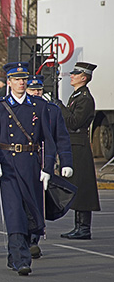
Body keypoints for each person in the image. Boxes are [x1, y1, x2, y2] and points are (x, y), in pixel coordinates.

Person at [0, 62, 56, 275]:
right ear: (9, 82)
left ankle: (15, 254)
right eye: (17, 79)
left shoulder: (39, 106)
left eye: (24, 79)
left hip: (31, 164)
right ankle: (22, 258)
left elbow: (48, 140)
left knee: (31, 213)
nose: (21, 83)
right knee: (14, 213)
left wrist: (48, 167)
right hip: (8, 166)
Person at [26, 74, 73, 257]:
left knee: (38, 204)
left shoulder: (52, 110)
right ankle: (23, 239)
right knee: (23, 203)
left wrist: (66, 162)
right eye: (33, 90)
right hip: (22, 162)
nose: (37, 93)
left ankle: (33, 240)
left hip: (44, 163)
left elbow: (61, 137)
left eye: (39, 89)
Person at [55, 62, 101, 240]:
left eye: (75, 73)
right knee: (77, 186)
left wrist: (59, 106)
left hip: (79, 145)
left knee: (82, 186)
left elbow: (74, 122)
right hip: (74, 144)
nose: (72, 75)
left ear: (84, 77)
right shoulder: (77, 95)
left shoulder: (85, 98)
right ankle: (78, 226)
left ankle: (84, 228)